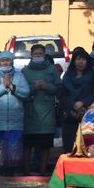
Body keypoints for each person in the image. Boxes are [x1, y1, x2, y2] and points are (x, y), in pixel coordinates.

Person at [0, 51, 30, 173]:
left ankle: (11, 174)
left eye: (8, 60)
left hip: (15, 121)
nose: (5, 62)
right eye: (2, 60)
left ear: (12, 61)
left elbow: (26, 93)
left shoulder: (20, 76)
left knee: (14, 153)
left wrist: (12, 87)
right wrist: (3, 87)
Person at [21, 42, 60, 173]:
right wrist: (33, 87)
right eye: (36, 54)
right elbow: (21, 90)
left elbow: (59, 89)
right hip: (30, 111)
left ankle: (43, 170)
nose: (38, 56)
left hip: (47, 111)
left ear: (44, 55)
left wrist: (46, 86)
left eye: (40, 54)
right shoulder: (25, 71)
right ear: (31, 55)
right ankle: (26, 170)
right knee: (27, 144)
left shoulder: (52, 69)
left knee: (45, 144)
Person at [58, 47, 94, 155]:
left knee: (86, 143)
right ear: (74, 61)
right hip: (70, 116)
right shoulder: (67, 75)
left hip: (87, 116)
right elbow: (61, 95)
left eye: (83, 59)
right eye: (78, 59)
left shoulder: (92, 74)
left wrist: (83, 102)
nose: (80, 62)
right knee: (69, 146)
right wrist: (73, 104)